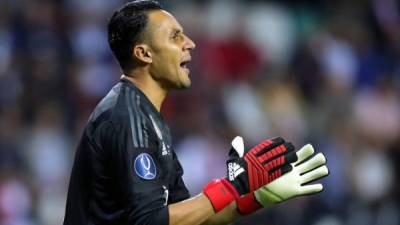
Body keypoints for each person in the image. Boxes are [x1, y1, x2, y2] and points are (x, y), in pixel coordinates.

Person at [63, 1, 329, 225]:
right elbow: (148, 221)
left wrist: (253, 197)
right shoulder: (126, 118)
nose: (189, 43)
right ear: (144, 53)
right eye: (175, 36)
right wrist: (232, 186)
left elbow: (187, 215)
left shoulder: (148, 118)